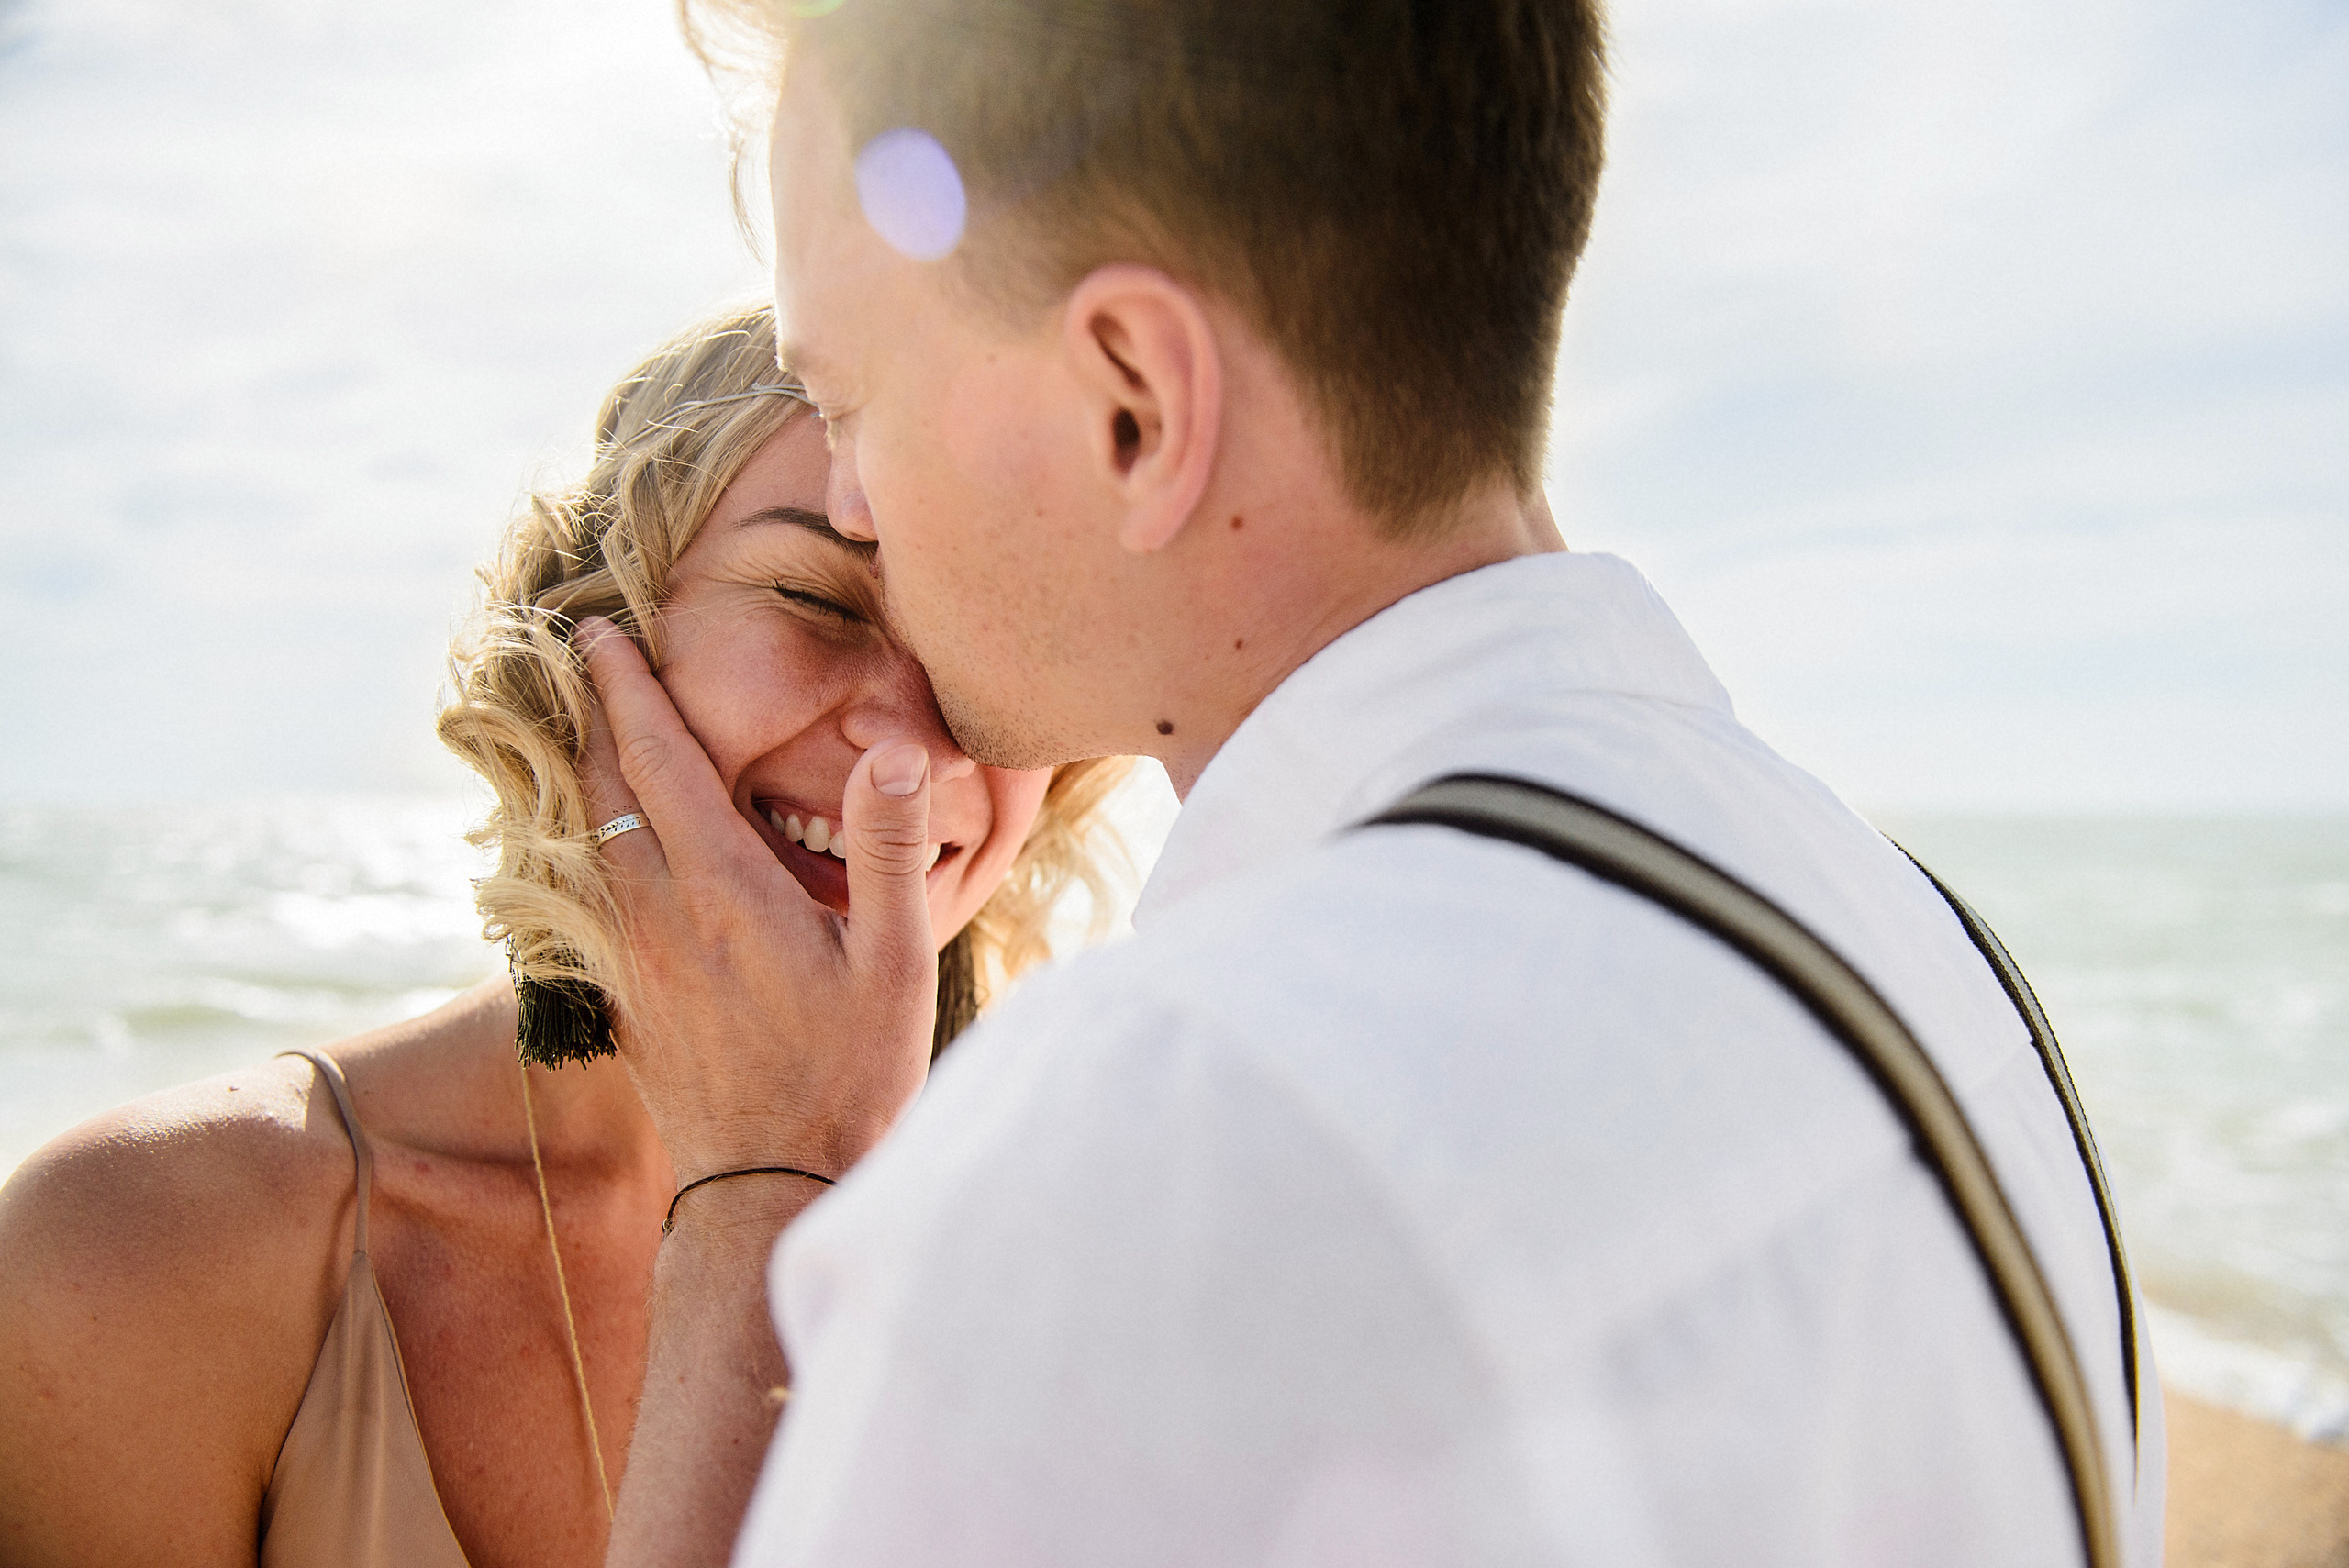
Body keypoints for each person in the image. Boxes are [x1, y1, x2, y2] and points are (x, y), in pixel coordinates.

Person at [585, 2, 2168, 1566]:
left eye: (854, 404)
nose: (853, 502)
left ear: (1135, 401)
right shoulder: (1936, 958)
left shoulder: (1147, 1155)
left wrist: (751, 1195)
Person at [0, 301, 1130, 1568]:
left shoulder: (1119, 1277)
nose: (907, 757)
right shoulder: (139, 1250)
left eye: (995, 654)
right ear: (594, 638)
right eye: (820, 600)